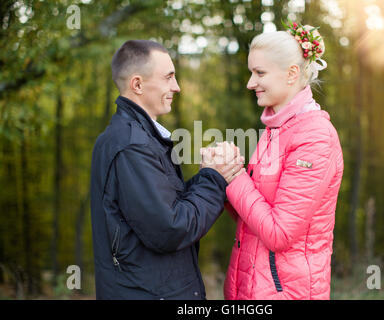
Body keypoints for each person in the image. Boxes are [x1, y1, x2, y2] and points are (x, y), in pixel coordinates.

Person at [90, 40, 244, 300]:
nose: (177, 86)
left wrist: (209, 173)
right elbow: (170, 229)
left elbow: (167, 208)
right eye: (168, 77)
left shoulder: (139, 137)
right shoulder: (131, 145)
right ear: (137, 84)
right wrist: (214, 178)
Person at [222, 23, 344, 300]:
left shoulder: (315, 137)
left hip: (286, 292)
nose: (250, 83)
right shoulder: (274, 130)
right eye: (251, 72)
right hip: (249, 289)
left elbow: (279, 234)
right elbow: (251, 216)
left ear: (291, 74)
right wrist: (222, 174)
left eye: (259, 73)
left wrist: (234, 176)